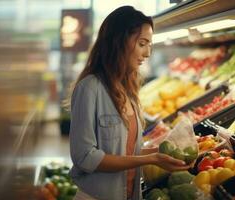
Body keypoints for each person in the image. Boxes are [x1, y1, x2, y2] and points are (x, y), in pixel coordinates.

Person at [68, 6, 190, 200]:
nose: (148, 53)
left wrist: (160, 153)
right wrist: (150, 159)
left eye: (150, 45)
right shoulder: (90, 88)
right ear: (119, 41)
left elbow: (124, 151)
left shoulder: (127, 90)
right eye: (142, 43)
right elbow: (85, 157)